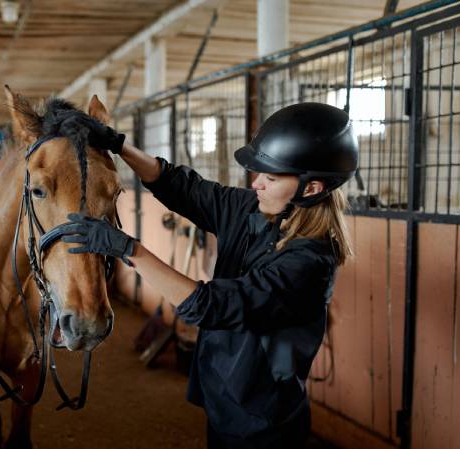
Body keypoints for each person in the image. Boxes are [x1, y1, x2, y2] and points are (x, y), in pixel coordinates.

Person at [61, 102, 359, 449]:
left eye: (271, 177)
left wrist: (130, 250)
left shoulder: (310, 263)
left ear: (311, 189)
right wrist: (118, 145)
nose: (255, 183)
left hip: (261, 418)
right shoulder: (253, 209)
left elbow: (209, 306)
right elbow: (182, 187)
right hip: (223, 393)